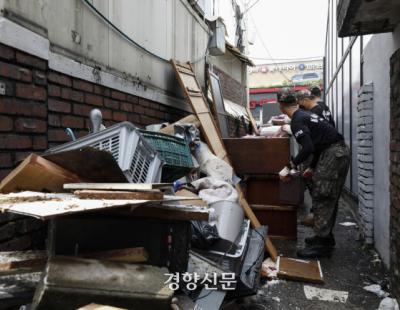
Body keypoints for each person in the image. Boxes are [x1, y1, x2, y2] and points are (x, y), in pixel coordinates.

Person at [278, 90, 350, 258]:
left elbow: (308, 147)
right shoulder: (304, 114)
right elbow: (318, 144)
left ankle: (323, 245)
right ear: (297, 102)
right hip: (333, 151)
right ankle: (324, 237)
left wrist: (288, 167)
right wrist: (312, 166)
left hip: (334, 153)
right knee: (324, 193)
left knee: (324, 195)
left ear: (281, 107)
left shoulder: (297, 121)